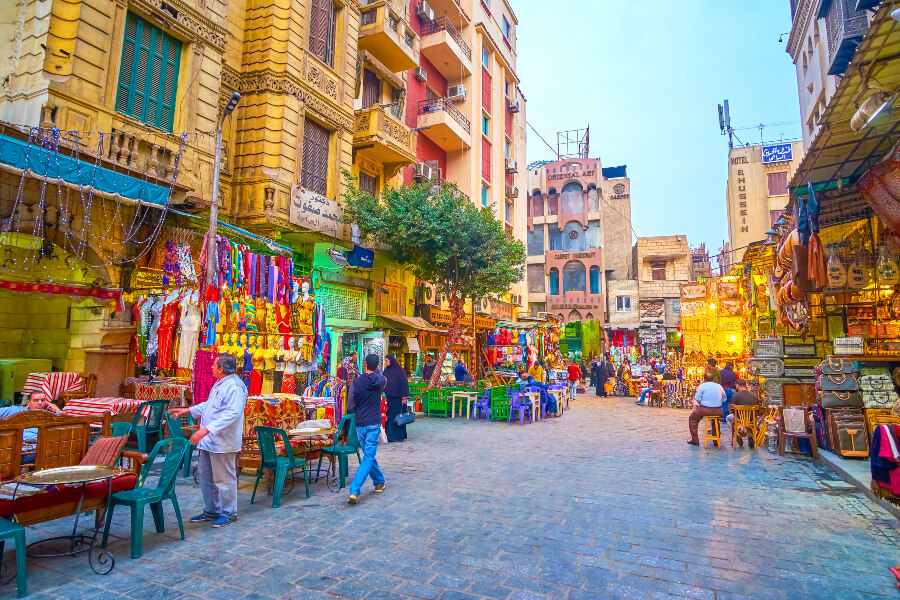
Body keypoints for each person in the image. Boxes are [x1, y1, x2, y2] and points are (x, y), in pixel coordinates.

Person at [169, 353, 247, 527]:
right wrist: (188, 410)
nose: (211, 367)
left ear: (221, 369)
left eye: (214, 365)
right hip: (209, 441)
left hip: (222, 442)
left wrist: (205, 430)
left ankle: (228, 512)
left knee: (224, 478)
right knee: (206, 476)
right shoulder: (221, 384)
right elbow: (210, 405)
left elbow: (232, 413)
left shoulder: (234, 386)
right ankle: (212, 510)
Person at [347, 354, 387, 504]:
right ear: (377, 366)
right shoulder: (381, 380)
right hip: (373, 422)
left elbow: (350, 406)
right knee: (369, 456)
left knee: (368, 455)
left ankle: (377, 482)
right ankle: (356, 489)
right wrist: (375, 370)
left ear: (364, 364)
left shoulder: (356, 382)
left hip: (360, 423)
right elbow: (380, 375)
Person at [0, 392, 62, 465]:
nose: (40, 403)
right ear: (28, 402)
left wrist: (58, 411)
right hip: (12, 449)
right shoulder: (16, 410)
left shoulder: (51, 416)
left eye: (43, 400)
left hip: (36, 451)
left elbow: (67, 424)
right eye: (36, 400)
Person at [687, 371, 725, 446]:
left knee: (692, 419)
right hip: (718, 410)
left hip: (705, 409)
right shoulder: (719, 386)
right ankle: (716, 440)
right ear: (713, 379)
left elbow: (697, 398)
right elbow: (724, 398)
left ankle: (695, 439)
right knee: (716, 421)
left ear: (704, 379)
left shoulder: (702, 386)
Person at [382, 354, 409, 443]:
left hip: (397, 398)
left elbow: (404, 384)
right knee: (389, 417)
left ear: (391, 360)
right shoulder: (386, 370)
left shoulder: (400, 371)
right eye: (385, 360)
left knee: (398, 417)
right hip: (388, 398)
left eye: (386, 360)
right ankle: (389, 436)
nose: (385, 362)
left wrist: (404, 397)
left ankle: (398, 436)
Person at [726, 379, 760, 447]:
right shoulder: (754, 395)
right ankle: (750, 435)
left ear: (738, 386)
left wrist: (738, 416)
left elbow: (733, 410)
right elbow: (758, 409)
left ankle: (737, 434)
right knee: (750, 420)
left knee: (728, 418)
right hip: (751, 419)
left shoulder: (735, 396)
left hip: (739, 419)